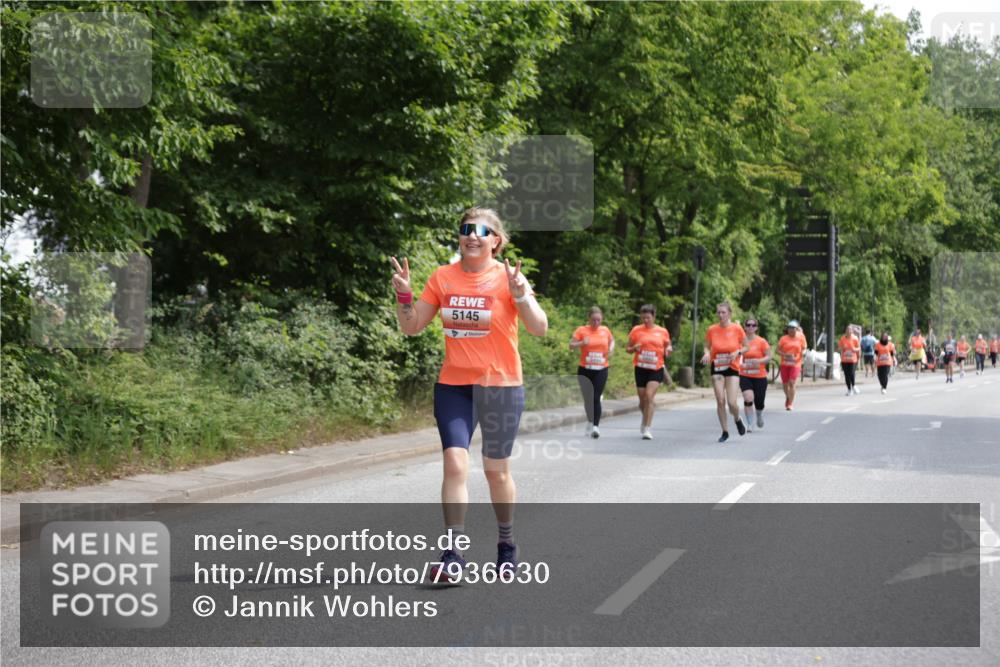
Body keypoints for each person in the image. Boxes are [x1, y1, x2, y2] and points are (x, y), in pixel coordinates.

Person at [391, 207, 548, 583]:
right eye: (465, 229)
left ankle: (506, 545)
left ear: (496, 240)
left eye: (481, 230)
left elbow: (539, 328)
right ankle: (453, 554)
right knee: (455, 464)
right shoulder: (443, 277)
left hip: (502, 386)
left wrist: (521, 295)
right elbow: (411, 327)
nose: (471, 235)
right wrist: (404, 296)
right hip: (455, 386)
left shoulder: (508, 278)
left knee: (496, 472)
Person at [701, 301, 748, 442]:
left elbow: (747, 347)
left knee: (732, 402)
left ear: (729, 314)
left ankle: (737, 418)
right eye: (719, 312)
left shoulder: (737, 328)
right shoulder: (712, 329)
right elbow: (706, 346)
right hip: (717, 366)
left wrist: (738, 352)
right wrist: (706, 353)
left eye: (723, 312)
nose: (721, 315)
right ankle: (725, 431)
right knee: (720, 400)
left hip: (732, 366)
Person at [627, 304, 673, 440]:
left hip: (656, 368)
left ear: (654, 316)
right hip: (640, 368)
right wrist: (634, 348)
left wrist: (668, 349)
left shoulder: (662, 331)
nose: (645, 320)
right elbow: (627, 348)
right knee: (642, 401)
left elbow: (668, 345)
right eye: (643, 318)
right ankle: (645, 416)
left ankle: (647, 428)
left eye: (648, 317)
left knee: (649, 396)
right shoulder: (636, 330)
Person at [570, 306, 614, 438]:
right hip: (585, 369)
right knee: (588, 399)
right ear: (589, 319)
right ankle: (590, 421)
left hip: (601, 368)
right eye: (594, 320)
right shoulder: (581, 330)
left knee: (595, 398)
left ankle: (595, 426)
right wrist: (582, 343)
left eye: (599, 320)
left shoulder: (605, 330)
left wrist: (611, 349)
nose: (596, 323)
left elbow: (612, 341)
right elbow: (571, 345)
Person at [738, 316, 771, 431]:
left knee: (759, 401)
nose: (750, 327)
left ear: (756, 328)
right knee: (748, 398)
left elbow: (769, 356)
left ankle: (759, 414)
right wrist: (740, 364)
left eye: (753, 325)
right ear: (744, 327)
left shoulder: (761, 341)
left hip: (760, 376)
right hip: (745, 375)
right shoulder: (741, 341)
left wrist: (759, 361)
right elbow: (737, 354)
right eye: (748, 325)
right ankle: (750, 423)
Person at [777, 321, 806, 410]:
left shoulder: (801, 337)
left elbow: (804, 348)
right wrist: (784, 354)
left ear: (796, 329)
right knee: (785, 384)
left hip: (796, 363)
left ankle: (790, 403)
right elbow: (777, 350)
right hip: (785, 363)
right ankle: (788, 396)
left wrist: (803, 353)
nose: (791, 330)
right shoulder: (783, 338)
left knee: (792, 382)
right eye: (789, 328)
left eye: (793, 328)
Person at [838, 324, 861, 395]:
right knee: (846, 375)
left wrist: (855, 349)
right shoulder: (842, 339)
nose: (849, 331)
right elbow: (839, 348)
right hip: (844, 359)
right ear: (846, 331)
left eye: (850, 330)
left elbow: (859, 348)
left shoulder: (855, 338)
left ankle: (853, 385)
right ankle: (849, 389)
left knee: (851, 373)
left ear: (852, 331)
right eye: (847, 329)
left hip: (853, 359)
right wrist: (842, 348)